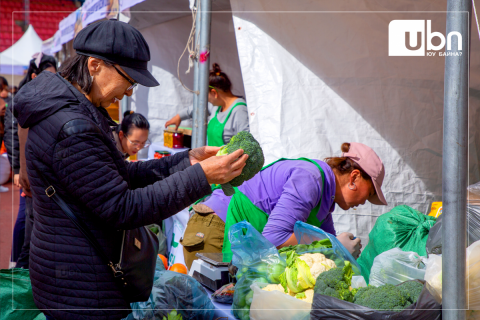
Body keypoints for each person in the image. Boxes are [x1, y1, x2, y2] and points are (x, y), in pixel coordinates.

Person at [13, 20, 247, 320]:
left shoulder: (69, 109)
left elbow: (120, 174)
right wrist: (201, 177)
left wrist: (185, 161)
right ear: (95, 65)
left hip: (70, 271)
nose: (128, 92)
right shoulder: (72, 127)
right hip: (81, 285)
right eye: (128, 79)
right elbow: (124, 207)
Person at [182, 142, 388, 269]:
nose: (363, 202)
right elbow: (275, 238)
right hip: (215, 228)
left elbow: (322, 249)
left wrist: (340, 253)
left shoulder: (325, 202)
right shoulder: (311, 179)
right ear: (354, 177)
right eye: (368, 194)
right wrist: (333, 243)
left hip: (231, 235)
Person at [4, 53, 57, 269]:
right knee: (24, 218)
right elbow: (12, 135)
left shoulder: (49, 97)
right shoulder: (22, 99)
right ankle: (15, 263)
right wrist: (18, 168)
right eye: (48, 76)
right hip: (27, 170)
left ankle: (24, 265)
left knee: (33, 220)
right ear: (35, 75)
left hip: (40, 170)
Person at [165, 63, 249, 146]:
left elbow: (245, 144)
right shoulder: (216, 107)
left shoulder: (240, 110)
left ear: (214, 93)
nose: (206, 100)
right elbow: (198, 108)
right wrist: (179, 117)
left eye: (205, 95)